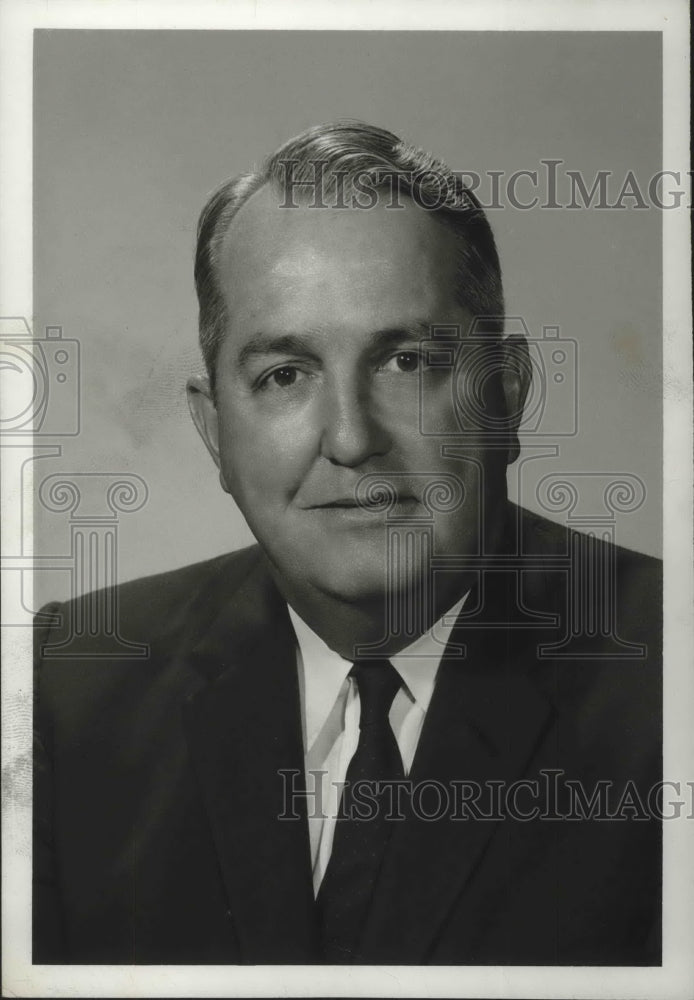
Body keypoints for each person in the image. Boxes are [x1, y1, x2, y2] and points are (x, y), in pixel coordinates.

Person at [33, 121, 661, 965]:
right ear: (214, 430)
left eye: (407, 361)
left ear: (505, 395)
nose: (352, 438)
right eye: (284, 376)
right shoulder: (60, 693)